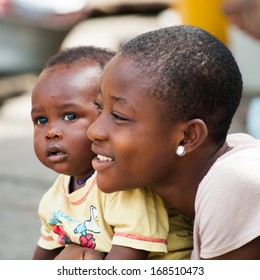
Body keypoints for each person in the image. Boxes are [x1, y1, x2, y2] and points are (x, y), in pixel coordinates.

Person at [87, 25, 260, 259]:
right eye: (100, 107)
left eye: (119, 116)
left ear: (188, 136)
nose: (94, 130)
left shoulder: (234, 181)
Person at [31, 46, 193, 260]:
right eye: (40, 120)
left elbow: (127, 261)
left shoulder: (125, 188)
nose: (51, 132)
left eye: (70, 116)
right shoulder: (55, 196)